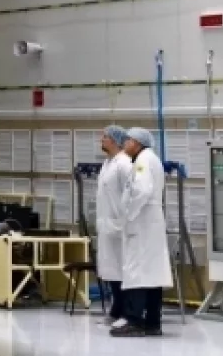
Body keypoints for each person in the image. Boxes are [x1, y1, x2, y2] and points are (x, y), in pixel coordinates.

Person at [112, 127, 173, 338]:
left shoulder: (143, 161)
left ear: (137, 143)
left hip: (142, 222)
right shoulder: (149, 159)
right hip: (149, 222)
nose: (124, 143)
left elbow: (142, 190)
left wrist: (130, 213)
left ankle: (135, 320)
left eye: (127, 140)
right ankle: (152, 323)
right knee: (151, 275)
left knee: (137, 273)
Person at [95, 125, 131, 329]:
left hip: (120, 226)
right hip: (107, 225)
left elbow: (132, 193)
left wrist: (124, 219)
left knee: (121, 272)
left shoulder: (124, 164)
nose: (102, 139)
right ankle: (115, 311)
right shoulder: (108, 163)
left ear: (116, 141)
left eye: (105, 137)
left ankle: (125, 312)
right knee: (111, 271)